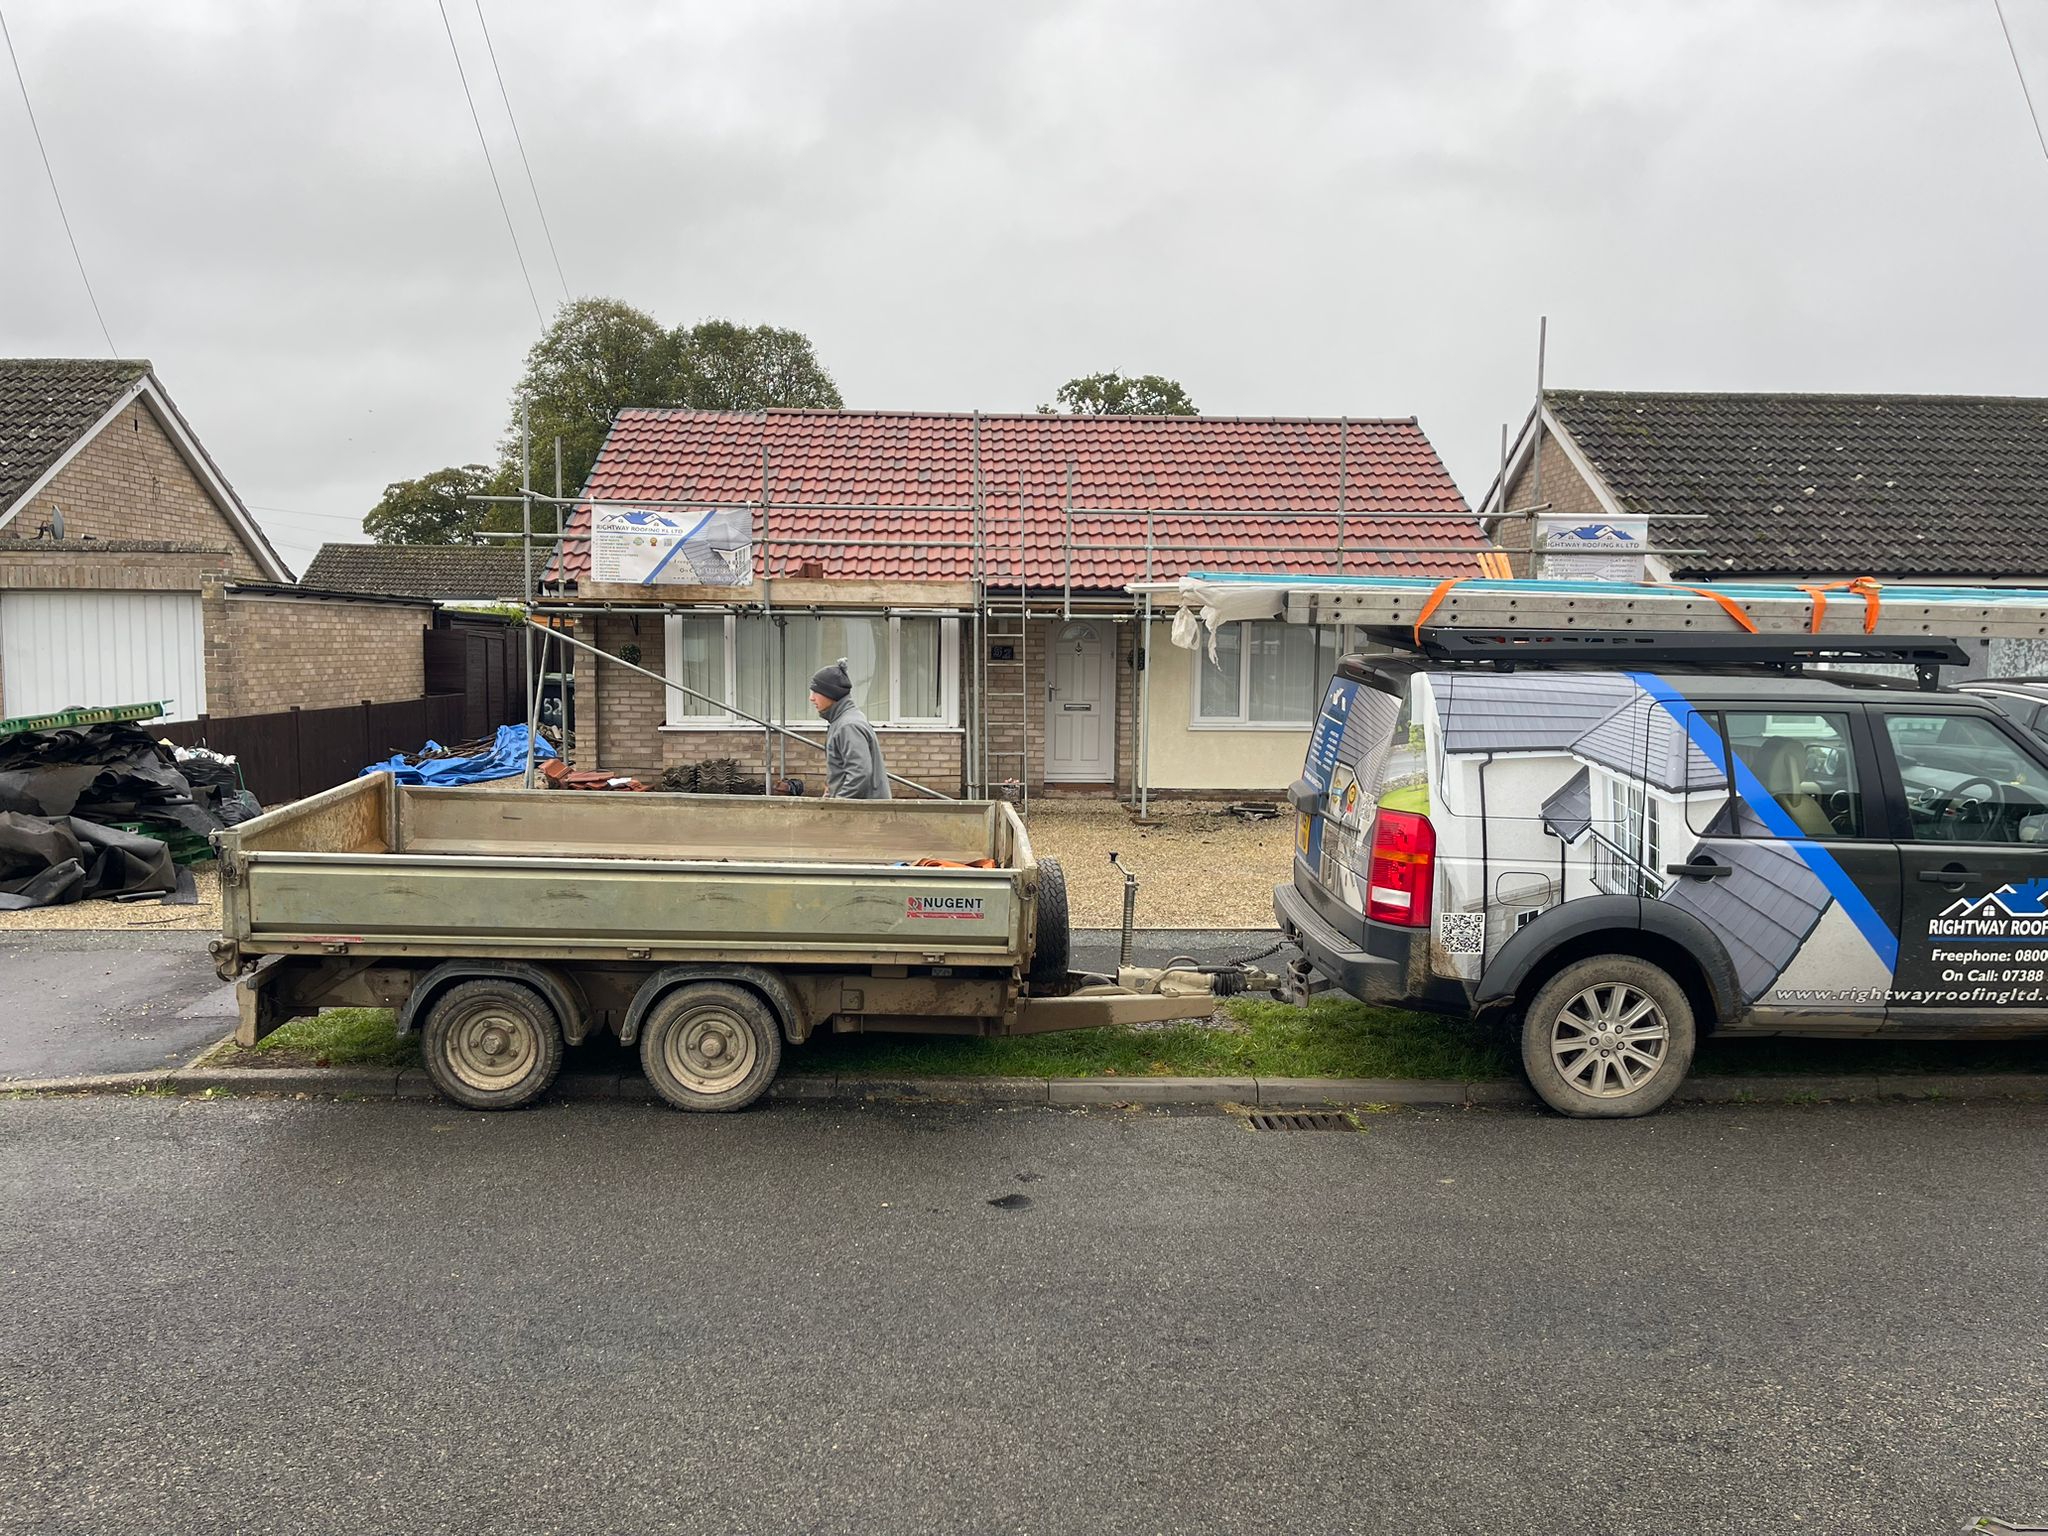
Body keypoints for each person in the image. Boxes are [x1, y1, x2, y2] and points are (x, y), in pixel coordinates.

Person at [809, 659, 891, 800]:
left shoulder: (848, 726)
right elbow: (840, 771)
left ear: (831, 693)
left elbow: (859, 774)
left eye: (816, 692)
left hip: (863, 813)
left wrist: (838, 805)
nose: (811, 698)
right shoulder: (840, 721)